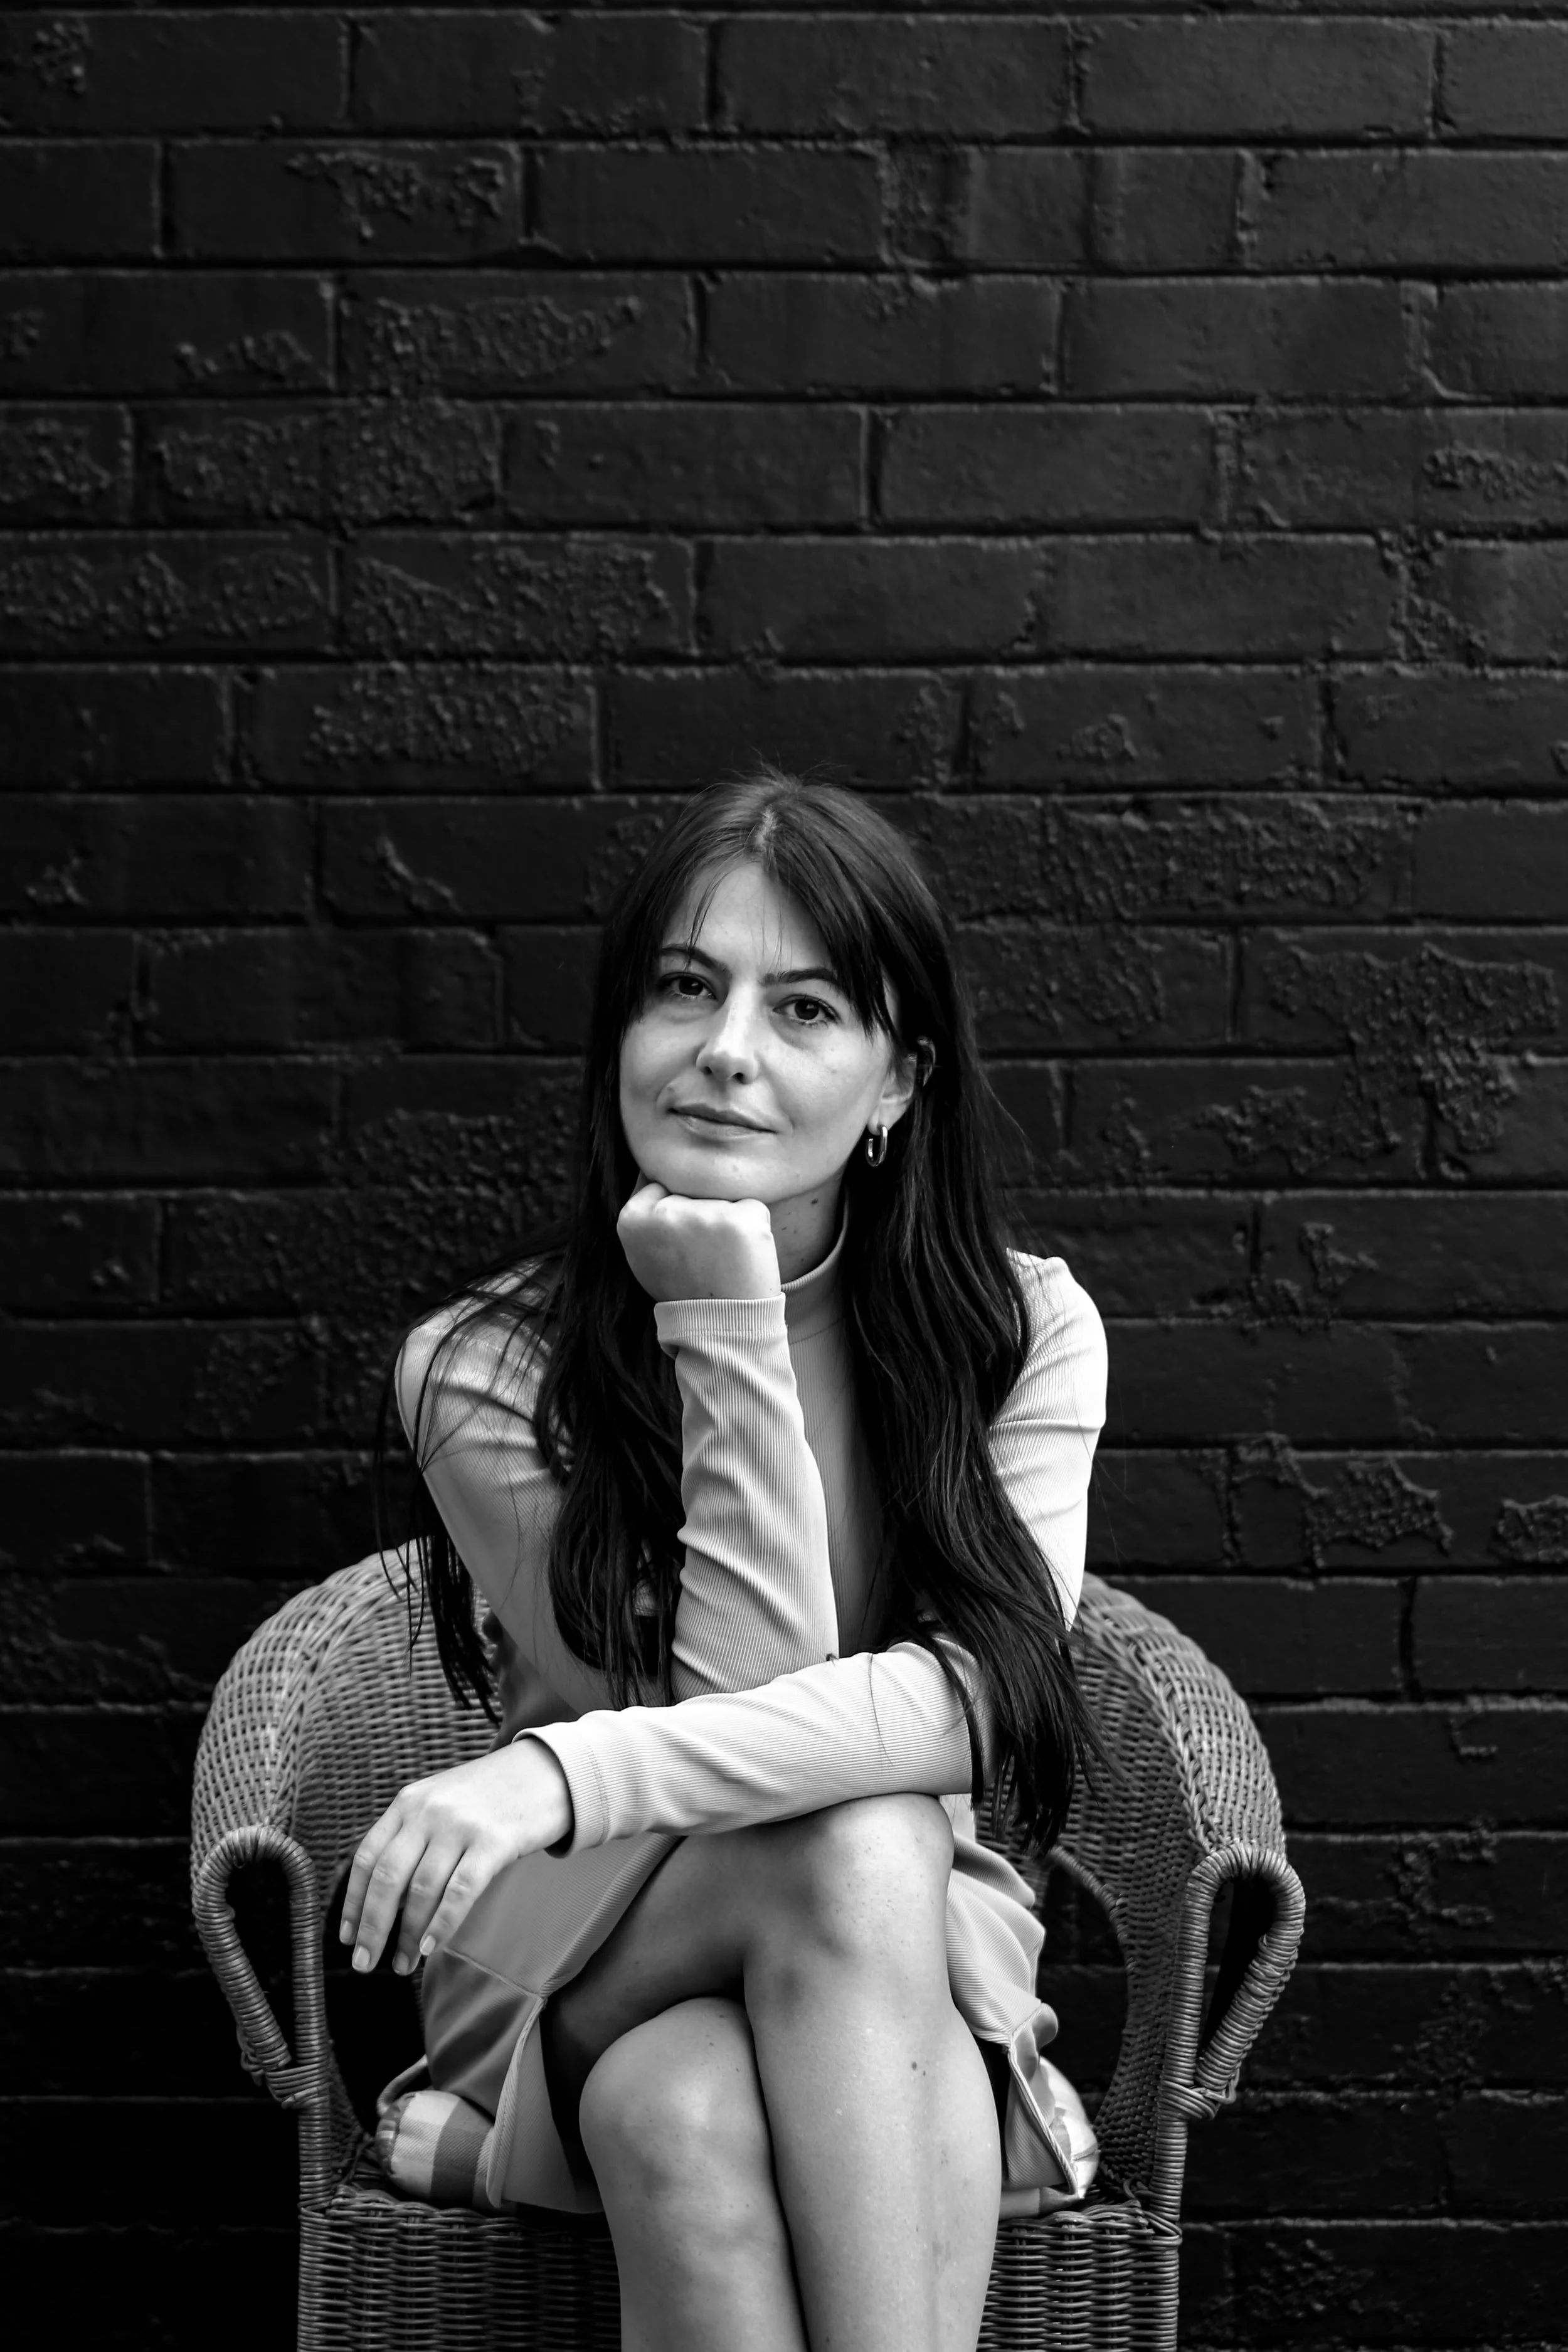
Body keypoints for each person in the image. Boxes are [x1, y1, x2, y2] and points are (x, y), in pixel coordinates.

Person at [342, 773, 1108, 2352]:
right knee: (858, 1838)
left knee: (687, 2111)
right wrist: (723, 1323)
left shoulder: (1020, 1334)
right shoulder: (480, 1369)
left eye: (805, 1007)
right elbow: (788, 1741)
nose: (725, 1049)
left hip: (877, 1966)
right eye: (684, 987)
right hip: (580, 1951)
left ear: (898, 1083)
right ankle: (517, 2129)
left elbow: (986, 1702)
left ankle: (519, 2166)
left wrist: (553, 1771)